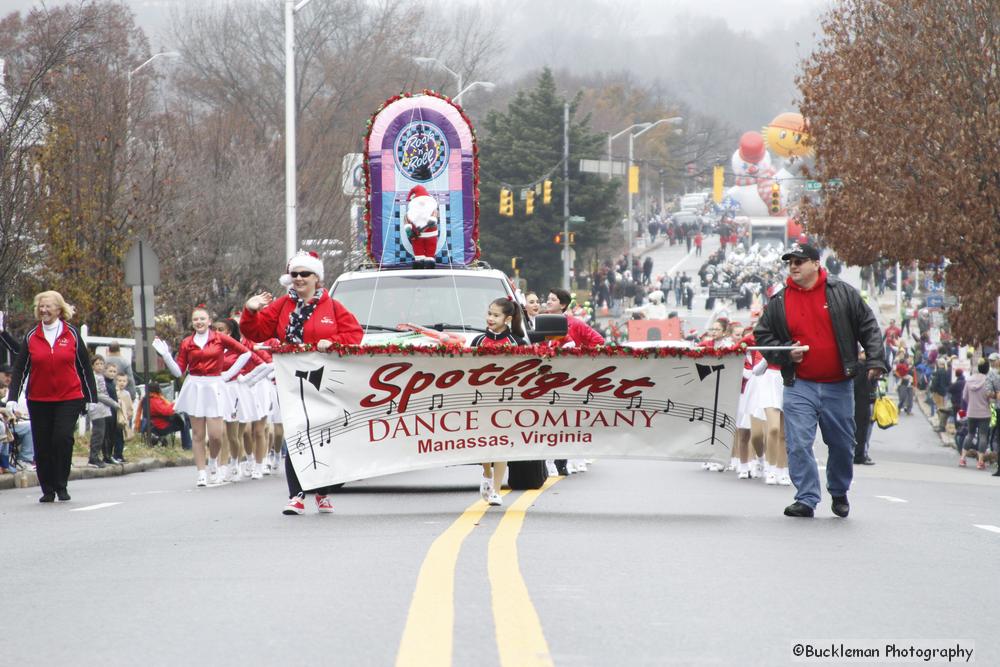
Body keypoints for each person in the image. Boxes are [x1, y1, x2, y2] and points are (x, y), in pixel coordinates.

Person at [753, 244, 886, 519]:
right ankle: (806, 498)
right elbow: (763, 338)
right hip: (799, 383)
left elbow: (868, 326)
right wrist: (786, 351)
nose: (794, 266)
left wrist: (875, 360)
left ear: (816, 263)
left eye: (800, 261)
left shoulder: (842, 293)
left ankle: (838, 490)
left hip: (839, 384)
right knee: (799, 443)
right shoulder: (779, 301)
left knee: (841, 444)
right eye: (790, 261)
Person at [241, 250, 363, 515]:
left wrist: (334, 342)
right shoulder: (282, 306)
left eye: (304, 274)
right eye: (294, 274)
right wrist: (250, 311)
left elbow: (355, 334)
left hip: (325, 381)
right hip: (291, 380)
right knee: (297, 433)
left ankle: (322, 492)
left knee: (323, 436)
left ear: (316, 278)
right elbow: (255, 331)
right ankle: (296, 496)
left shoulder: (332, 306)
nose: (298, 278)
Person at [7, 291, 98, 503]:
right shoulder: (32, 336)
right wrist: (12, 397)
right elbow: (21, 369)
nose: (44, 310)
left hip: (69, 396)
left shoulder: (72, 334)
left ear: (59, 309)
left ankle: (61, 484)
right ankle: (47, 488)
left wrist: (91, 398)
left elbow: (85, 367)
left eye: (48, 306)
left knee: (62, 438)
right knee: (43, 444)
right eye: (41, 306)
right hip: (39, 398)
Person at [153, 305, 252, 487]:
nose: (199, 322)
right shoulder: (187, 343)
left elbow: (245, 354)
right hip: (195, 386)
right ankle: (201, 472)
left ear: (209, 321)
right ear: (193, 323)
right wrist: (166, 355)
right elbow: (178, 372)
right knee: (198, 434)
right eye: (195, 320)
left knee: (215, 435)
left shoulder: (219, 338)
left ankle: (213, 462)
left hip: (215, 385)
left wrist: (229, 375)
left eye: (202, 319)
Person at [470, 298, 527, 506]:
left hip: (506, 400)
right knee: (484, 443)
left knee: (502, 444)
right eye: (489, 313)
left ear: (508, 319)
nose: (490, 318)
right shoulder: (477, 342)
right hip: (481, 400)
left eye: (496, 315)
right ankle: (486, 473)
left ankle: (495, 489)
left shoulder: (517, 344)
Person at [544, 288, 604, 475]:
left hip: (571, 377)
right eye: (547, 298)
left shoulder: (575, 324)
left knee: (570, 419)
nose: (547, 302)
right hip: (546, 376)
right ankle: (551, 460)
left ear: (562, 305)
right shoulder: (541, 321)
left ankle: (573, 458)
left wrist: (580, 358)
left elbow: (598, 341)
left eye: (552, 300)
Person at [86, 356, 119, 468]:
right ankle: (93, 457)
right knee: (98, 433)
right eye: (97, 364)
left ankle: (97, 456)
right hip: (96, 407)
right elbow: (99, 394)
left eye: (101, 363)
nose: (100, 366)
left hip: (103, 408)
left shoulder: (101, 377)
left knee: (102, 434)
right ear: (92, 366)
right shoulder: (94, 377)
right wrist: (114, 403)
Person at [961, 359, 991, 470]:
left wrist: (971, 403)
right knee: (983, 436)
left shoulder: (969, 380)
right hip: (984, 413)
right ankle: (980, 461)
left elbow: (964, 397)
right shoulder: (988, 381)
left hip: (971, 412)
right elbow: (990, 397)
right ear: (987, 369)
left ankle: (963, 458)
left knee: (970, 434)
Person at [144, 381, 192, 450]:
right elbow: (166, 411)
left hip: (158, 424)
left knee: (184, 419)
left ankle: (189, 444)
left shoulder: (150, 399)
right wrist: (175, 404)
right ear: (157, 389)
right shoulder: (154, 400)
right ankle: (188, 446)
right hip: (161, 427)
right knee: (183, 421)